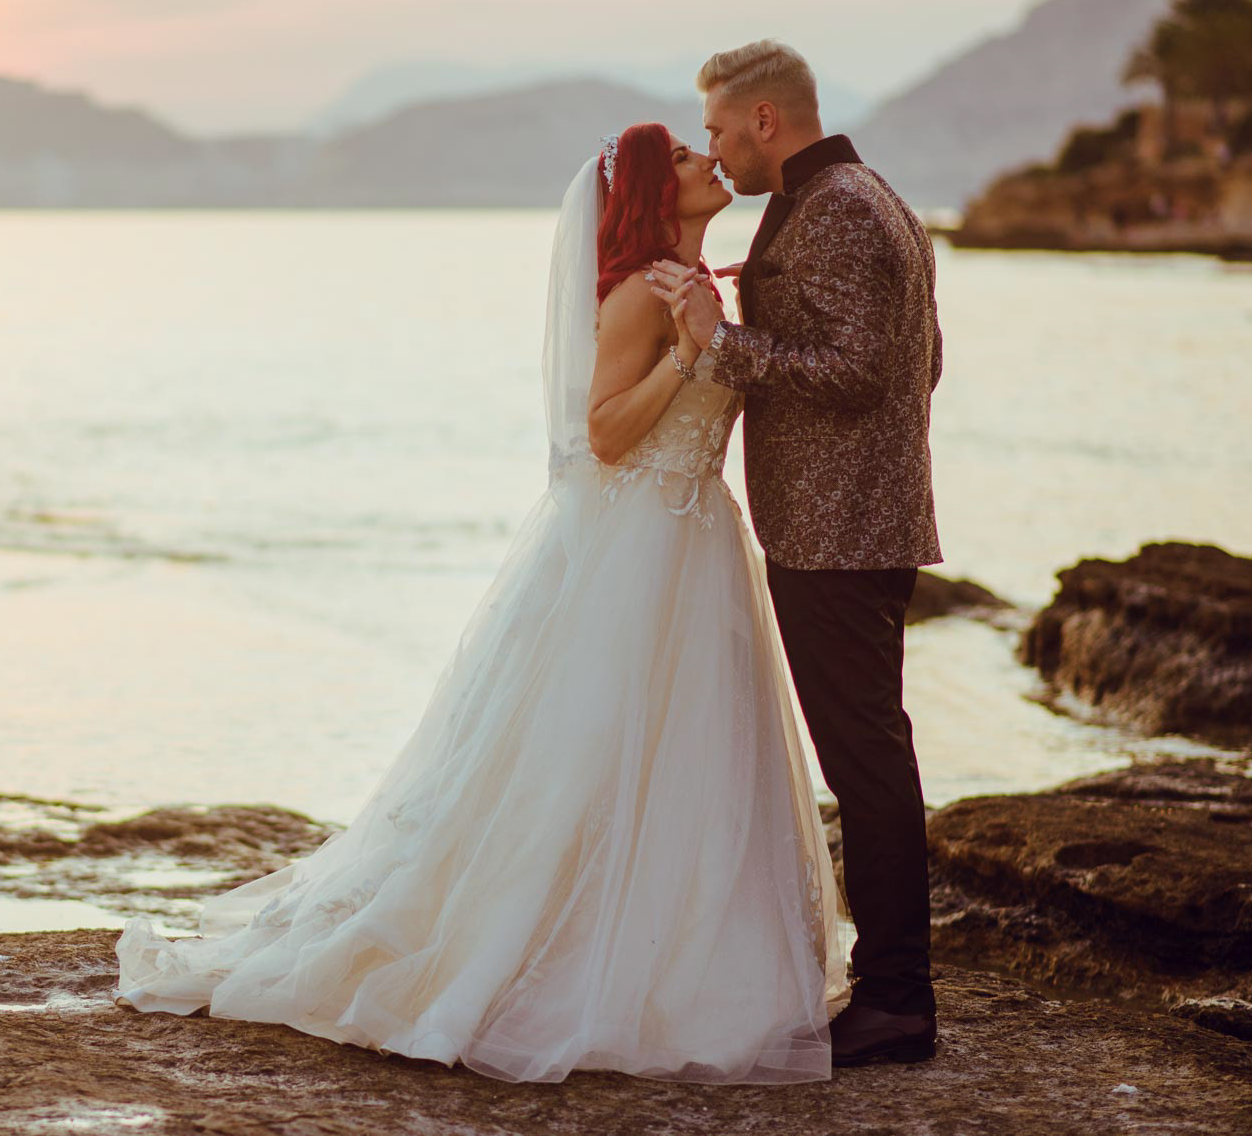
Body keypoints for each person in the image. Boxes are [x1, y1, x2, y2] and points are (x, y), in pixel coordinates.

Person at [113, 122, 847, 1086]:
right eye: (679, 157)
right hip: (640, 550)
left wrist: (715, 333)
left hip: (700, 544)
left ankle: (694, 957)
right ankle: (561, 959)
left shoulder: (700, 283)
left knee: (696, 752)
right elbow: (606, 437)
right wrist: (683, 353)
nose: (703, 160)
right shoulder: (636, 296)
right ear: (648, 200)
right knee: (593, 755)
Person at [651, 39, 943, 1067]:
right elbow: (923, 363)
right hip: (850, 523)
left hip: (841, 533)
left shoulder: (846, 210)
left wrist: (718, 341)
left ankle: (900, 998)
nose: (715, 150)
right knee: (868, 756)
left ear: (766, 121)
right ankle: (891, 983)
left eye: (724, 131)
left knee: (865, 762)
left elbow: (864, 370)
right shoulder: (865, 198)